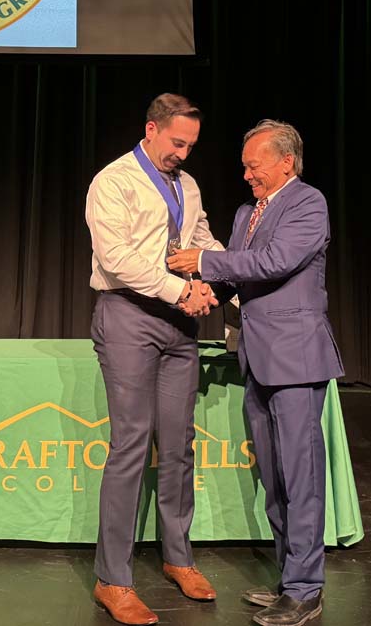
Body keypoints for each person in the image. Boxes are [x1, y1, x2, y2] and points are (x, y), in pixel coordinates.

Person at [168, 119, 344, 626]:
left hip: (296, 358)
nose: (247, 175)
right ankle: (290, 578)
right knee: (274, 477)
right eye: (245, 166)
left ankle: (307, 588)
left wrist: (205, 259)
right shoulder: (249, 211)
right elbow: (240, 273)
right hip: (257, 358)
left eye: (254, 165)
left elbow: (275, 261)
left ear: (285, 161)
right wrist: (197, 292)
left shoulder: (308, 203)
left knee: (301, 476)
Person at [85, 93, 225, 625]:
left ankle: (178, 558)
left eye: (190, 145)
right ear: (151, 129)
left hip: (179, 322)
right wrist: (178, 290)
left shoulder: (186, 185)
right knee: (131, 445)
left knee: (180, 444)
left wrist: (216, 282)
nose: (183, 154)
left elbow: (201, 238)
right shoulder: (113, 181)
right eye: (176, 142)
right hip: (129, 316)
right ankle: (112, 580)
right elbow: (115, 259)